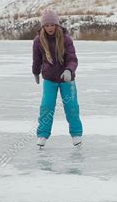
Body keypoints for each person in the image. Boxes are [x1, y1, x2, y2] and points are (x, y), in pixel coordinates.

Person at [32, 9, 83, 147]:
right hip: (49, 79)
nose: (50, 28)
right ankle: (42, 135)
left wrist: (68, 70)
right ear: (43, 26)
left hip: (67, 79)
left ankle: (76, 134)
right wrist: (35, 72)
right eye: (47, 25)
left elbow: (73, 59)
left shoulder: (66, 39)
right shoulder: (38, 41)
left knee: (71, 106)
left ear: (57, 25)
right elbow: (37, 59)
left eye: (52, 25)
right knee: (47, 107)